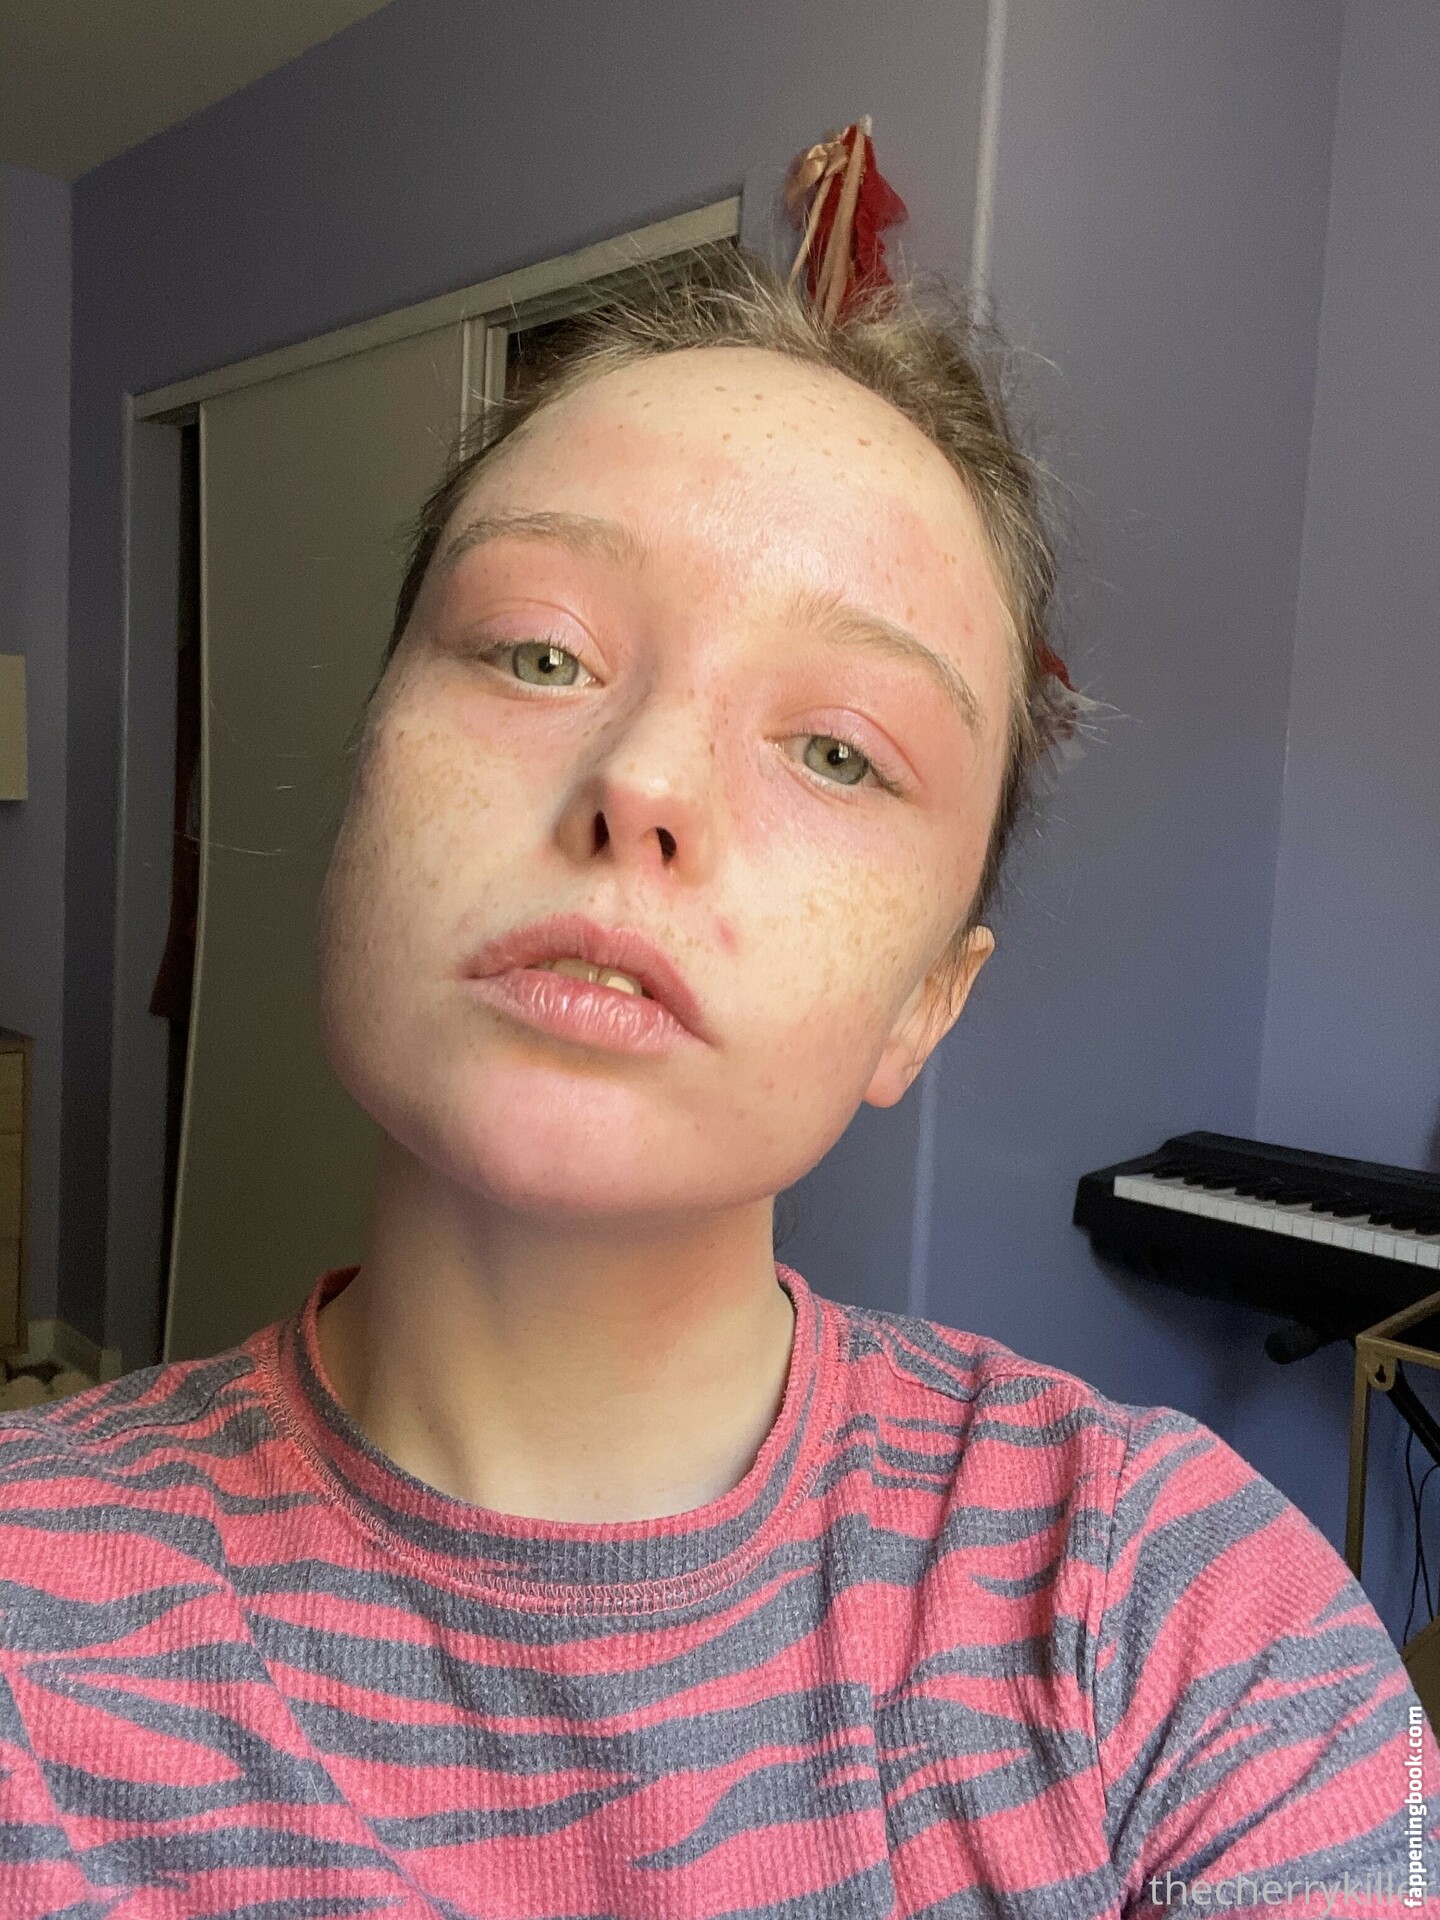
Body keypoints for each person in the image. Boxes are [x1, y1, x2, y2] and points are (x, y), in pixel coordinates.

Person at [1, 251, 1435, 1918]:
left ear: (925, 1006)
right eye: (537, 653)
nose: (645, 781)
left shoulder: (1185, 1624)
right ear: (362, 796)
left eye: (837, 749)